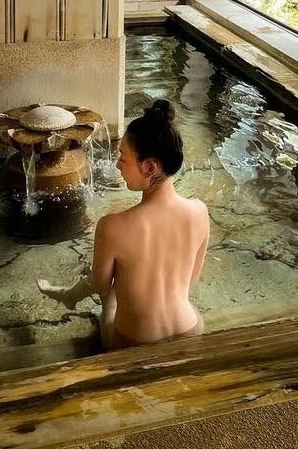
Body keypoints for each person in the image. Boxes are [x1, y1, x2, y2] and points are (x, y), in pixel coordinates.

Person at [38, 99, 209, 351]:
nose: (117, 164)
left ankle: (68, 296)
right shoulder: (200, 211)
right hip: (191, 333)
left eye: (122, 157)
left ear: (149, 167)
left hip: (133, 345)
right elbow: (192, 278)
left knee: (110, 290)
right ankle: (69, 295)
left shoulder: (112, 226)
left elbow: (101, 287)